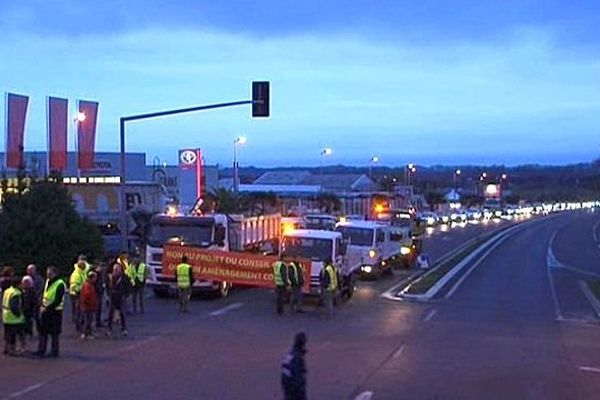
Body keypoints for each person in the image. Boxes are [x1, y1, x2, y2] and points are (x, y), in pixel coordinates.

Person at [35, 266, 66, 358]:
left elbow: (58, 300)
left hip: (55, 312)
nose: (48, 275)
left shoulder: (60, 284)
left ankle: (54, 352)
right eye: (47, 273)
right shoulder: (48, 281)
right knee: (43, 331)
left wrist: (47, 307)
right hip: (45, 309)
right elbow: (45, 294)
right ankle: (41, 350)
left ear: (55, 273)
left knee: (54, 333)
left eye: (50, 274)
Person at [281, 332, 307, 400]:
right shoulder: (297, 358)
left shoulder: (290, 355)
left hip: (287, 387)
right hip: (294, 390)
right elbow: (298, 379)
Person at [2, 277, 25, 356]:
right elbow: (14, 306)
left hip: (6, 316)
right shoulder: (16, 293)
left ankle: (6, 348)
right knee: (18, 334)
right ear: (18, 284)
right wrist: (19, 314)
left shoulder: (7, 291)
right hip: (14, 318)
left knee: (7, 334)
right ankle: (17, 349)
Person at [106, 264, 130, 337]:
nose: (116, 271)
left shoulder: (124, 277)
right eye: (115, 269)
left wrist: (126, 295)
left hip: (121, 296)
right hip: (112, 296)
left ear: (120, 270)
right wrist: (108, 294)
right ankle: (109, 329)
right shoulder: (110, 277)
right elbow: (107, 286)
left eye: (117, 269)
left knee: (122, 313)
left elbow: (128, 286)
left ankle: (124, 329)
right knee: (110, 313)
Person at [69, 259, 88, 331]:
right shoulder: (76, 274)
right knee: (79, 311)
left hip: (80, 293)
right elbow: (74, 286)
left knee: (80, 310)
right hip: (76, 294)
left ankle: (80, 324)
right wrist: (83, 288)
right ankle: (78, 326)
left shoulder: (81, 272)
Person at [80, 271, 99, 339]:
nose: (95, 279)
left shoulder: (89, 285)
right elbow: (87, 296)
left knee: (89, 320)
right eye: (95, 278)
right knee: (88, 321)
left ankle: (87, 333)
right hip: (88, 306)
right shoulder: (88, 285)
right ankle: (86, 334)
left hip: (88, 306)